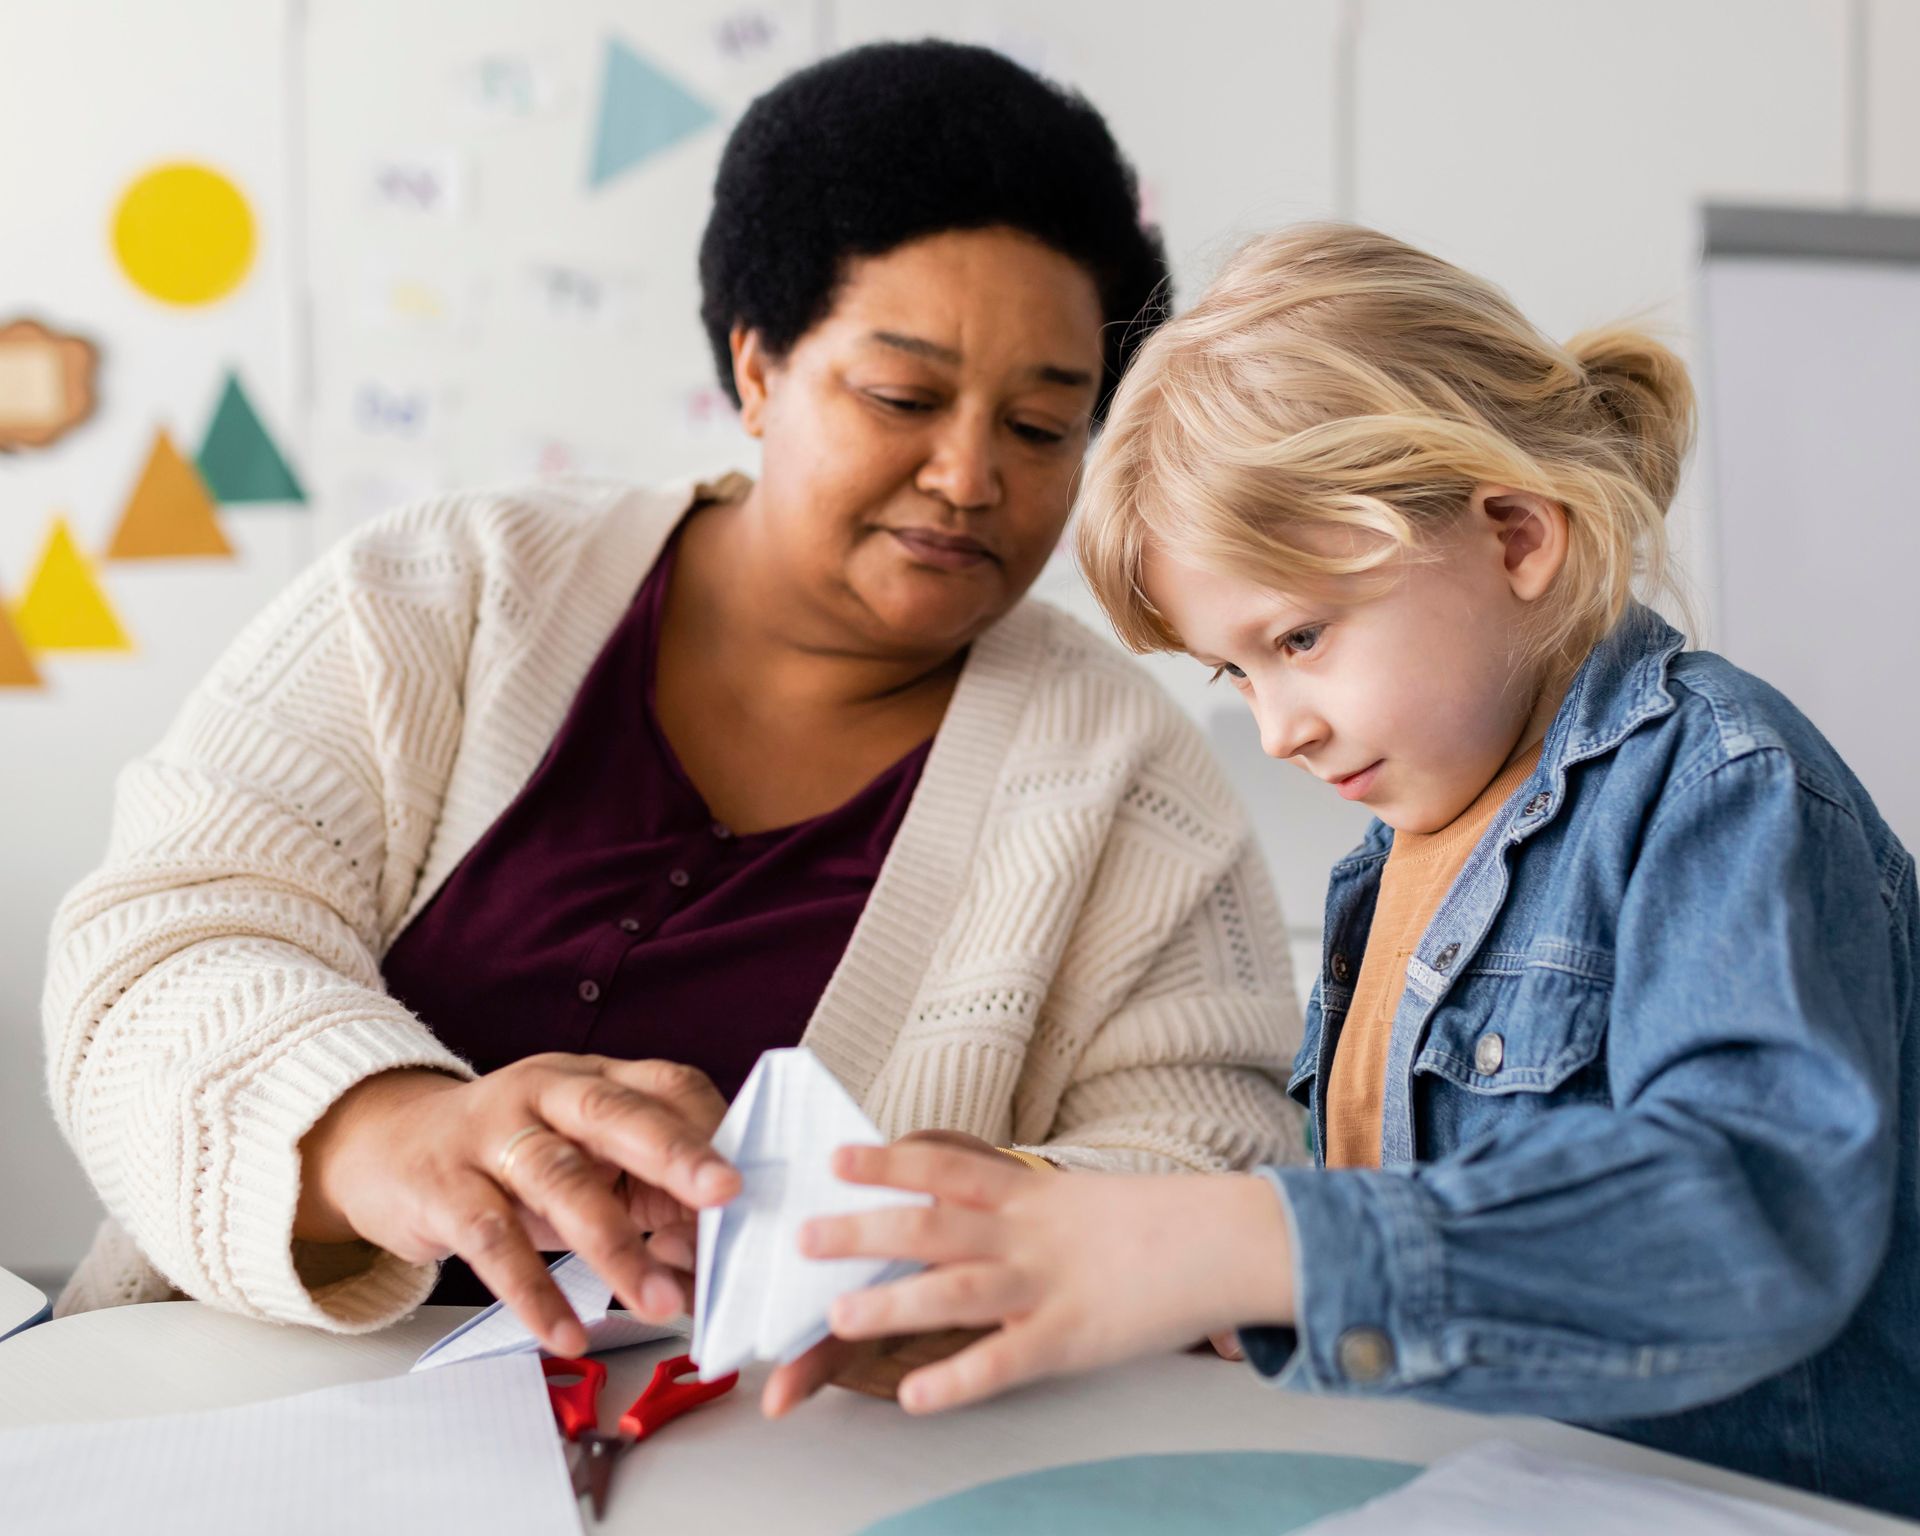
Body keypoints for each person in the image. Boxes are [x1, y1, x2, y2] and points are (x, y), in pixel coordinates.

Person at [42, 41, 1306, 1359]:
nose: (969, 474)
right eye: (902, 395)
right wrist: (389, 1129)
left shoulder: (1123, 774)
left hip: (787, 1475)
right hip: (238, 1413)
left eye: (1045, 428)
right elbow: (160, 948)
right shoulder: (439, 597)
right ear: (757, 370)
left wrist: (978, 1222)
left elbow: (1212, 1143)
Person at [787, 224, 1920, 1518]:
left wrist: (1246, 1242)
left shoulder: (1722, 785)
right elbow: (1411, 1268)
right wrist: (1131, 1277)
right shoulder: (1392, 866)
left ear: (1514, 537)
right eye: (1238, 670)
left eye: (1302, 636)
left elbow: (1751, 1220)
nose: (1279, 727)